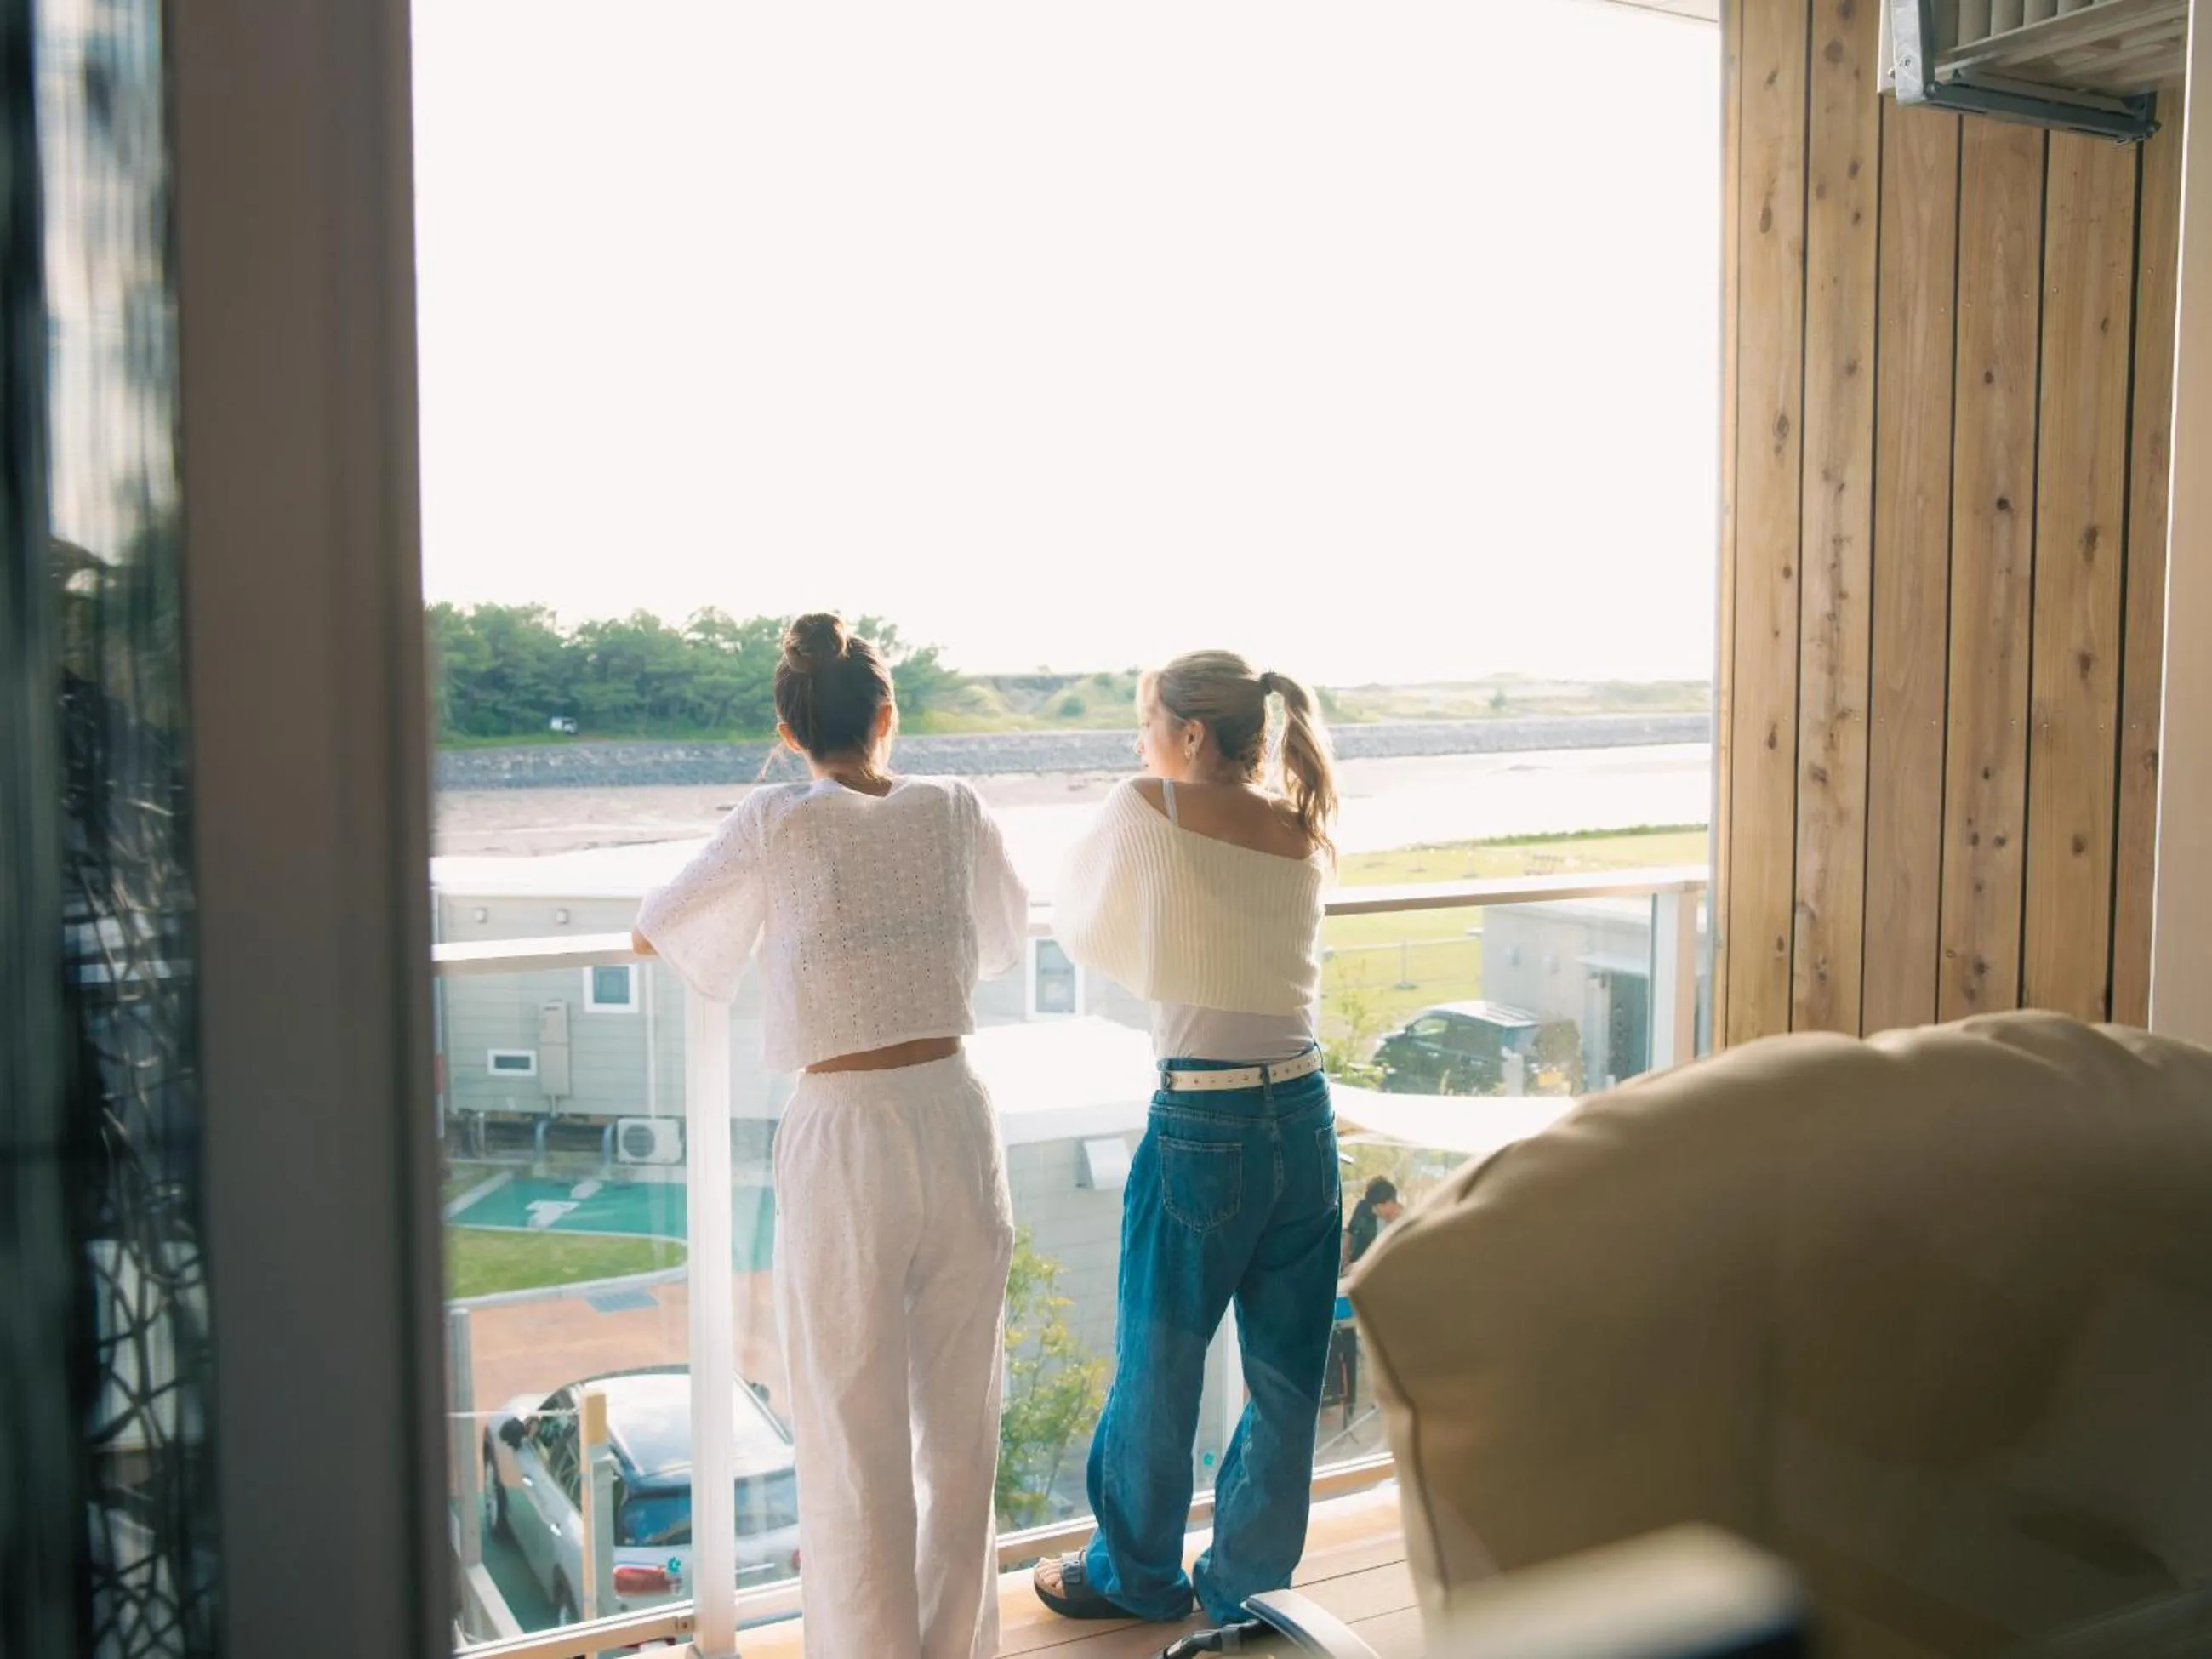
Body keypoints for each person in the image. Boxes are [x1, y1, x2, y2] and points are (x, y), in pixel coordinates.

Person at [631, 614, 1026, 1659]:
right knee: (960, 1423)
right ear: (886, 715)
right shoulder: (952, 807)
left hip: (844, 1133)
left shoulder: (776, 822)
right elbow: (999, 940)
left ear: (788, 727)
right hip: (953, 1112)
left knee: (851, 1431)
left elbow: (660, 924)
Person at [1034, 649, 1341, 1628]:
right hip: (1303, 1110)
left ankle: (1136, 1578)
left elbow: (1077, 923)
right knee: (1286, 1372)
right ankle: (1246, 1587)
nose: (1139, 742)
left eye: (1147, 722)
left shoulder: (1147, 807)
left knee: (1157, 1365)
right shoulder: (1298, 825)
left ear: (1192, 735)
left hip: (1205, 1119)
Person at [1343, 1177, 1403, 1270]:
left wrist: (1359, 1266)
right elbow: (1350, 1232)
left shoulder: (1404, 1225)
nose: (1374, 1211)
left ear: (1388, 1203)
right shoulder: (1372, 1215)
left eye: (1376, 1207)